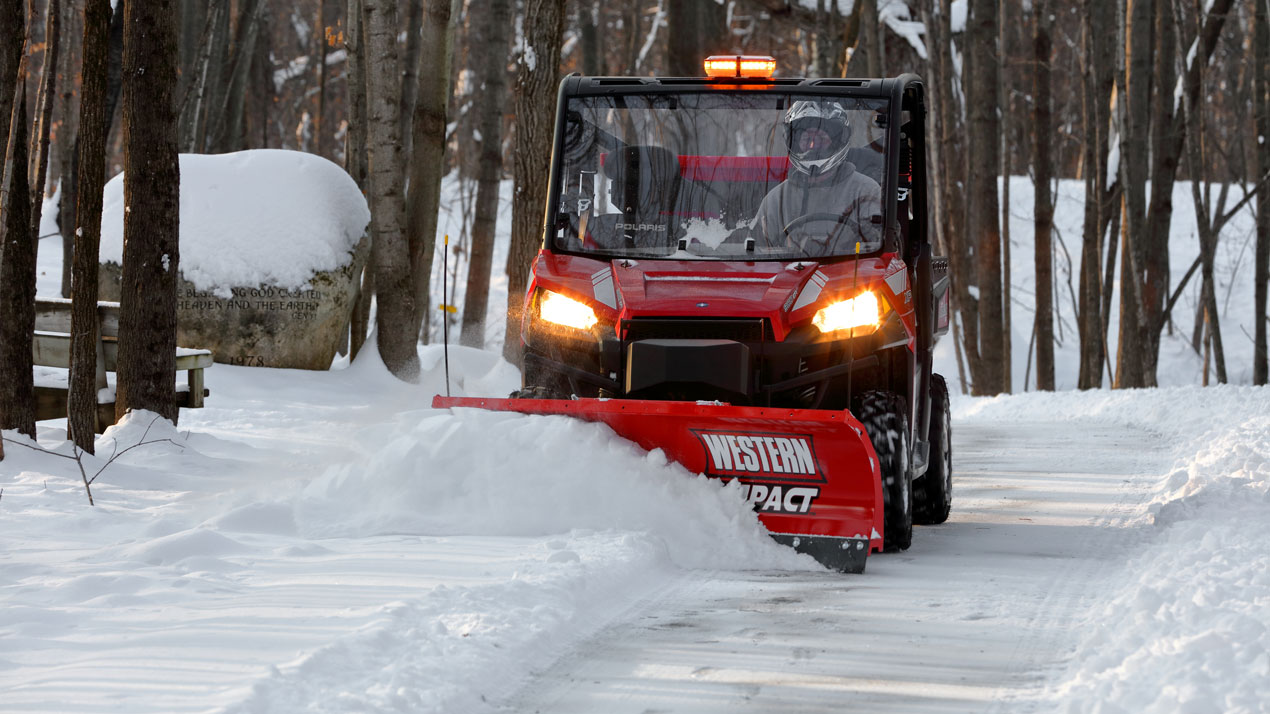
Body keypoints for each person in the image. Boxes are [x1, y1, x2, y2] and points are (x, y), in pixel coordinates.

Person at [755, 101, 883, 256]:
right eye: (806, 139)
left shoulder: (866, 192)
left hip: (850, 270)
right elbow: (756, 253)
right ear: (794, 142)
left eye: (821, 139)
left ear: (837, 141)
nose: (812, 145)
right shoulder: (776, 200)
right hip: (792, 270)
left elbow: (881, 252)